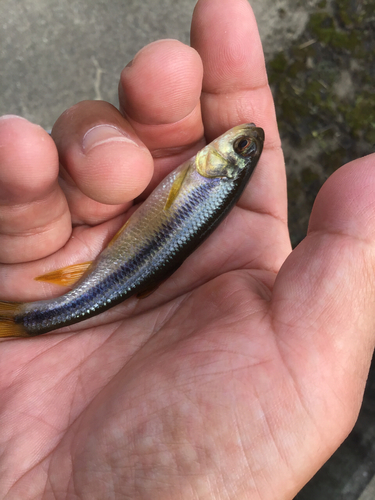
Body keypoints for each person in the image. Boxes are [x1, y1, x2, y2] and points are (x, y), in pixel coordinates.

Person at [0, 0, 374, 497]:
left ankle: (27, 319)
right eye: (244, 149)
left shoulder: (206, 177)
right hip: (113, 278)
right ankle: (27, 318)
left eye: (241, 150)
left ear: (221, 166)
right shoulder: (205, 180)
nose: (243, 142)